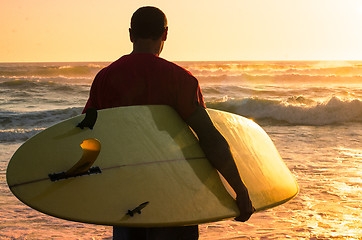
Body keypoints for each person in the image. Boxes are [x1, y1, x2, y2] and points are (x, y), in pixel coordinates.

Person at [83, 6, 254, 240]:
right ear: (165, 34)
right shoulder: (180, 79)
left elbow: (89, 135)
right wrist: (240, 189)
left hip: (126, 196)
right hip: (175, 193)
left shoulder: (105, 78)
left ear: (131, 34)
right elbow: (209, 138)